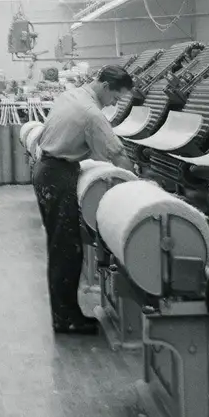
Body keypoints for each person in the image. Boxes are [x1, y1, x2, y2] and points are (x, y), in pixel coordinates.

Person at [31, 64, 136, 335]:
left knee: (60, 246)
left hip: (46, 170)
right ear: (106, 86)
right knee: (66, 249)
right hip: (58, 176)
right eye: (115, 97)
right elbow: (117, 154)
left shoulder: (71, 95)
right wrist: (136, 187)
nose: (114, 103)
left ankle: (63, 314)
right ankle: (66, 319)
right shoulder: (91, 113)